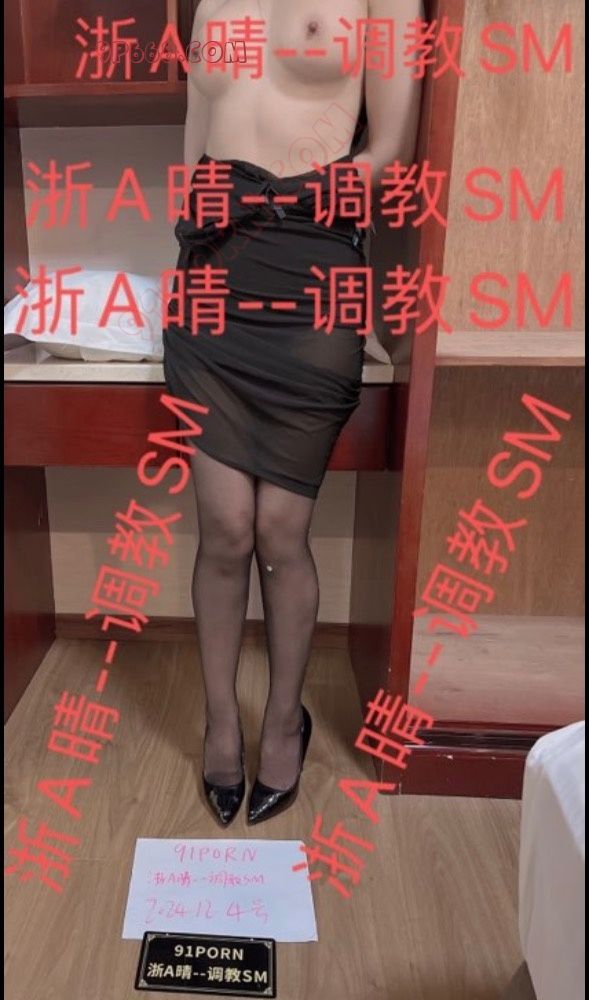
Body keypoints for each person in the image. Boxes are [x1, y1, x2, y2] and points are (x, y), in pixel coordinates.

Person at [163, 0, 423, 826]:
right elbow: (196, 136)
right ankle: (219, 724)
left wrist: (289, 201)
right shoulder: (209, 4)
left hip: (313, 267)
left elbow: (390, 148)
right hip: (212, 276)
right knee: (223, 528)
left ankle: (283, 722)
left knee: (279, 531)